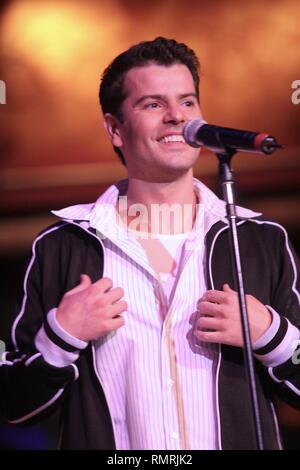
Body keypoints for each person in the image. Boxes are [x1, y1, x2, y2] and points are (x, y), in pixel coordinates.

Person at [0, 37, 299, 450]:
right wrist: (61, 337)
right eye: (153, 104)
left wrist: (273, 336)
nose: (177, 116)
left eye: (188, 102)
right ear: (115, 129)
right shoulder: (64, 245)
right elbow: (12, 402)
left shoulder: (260, 241)